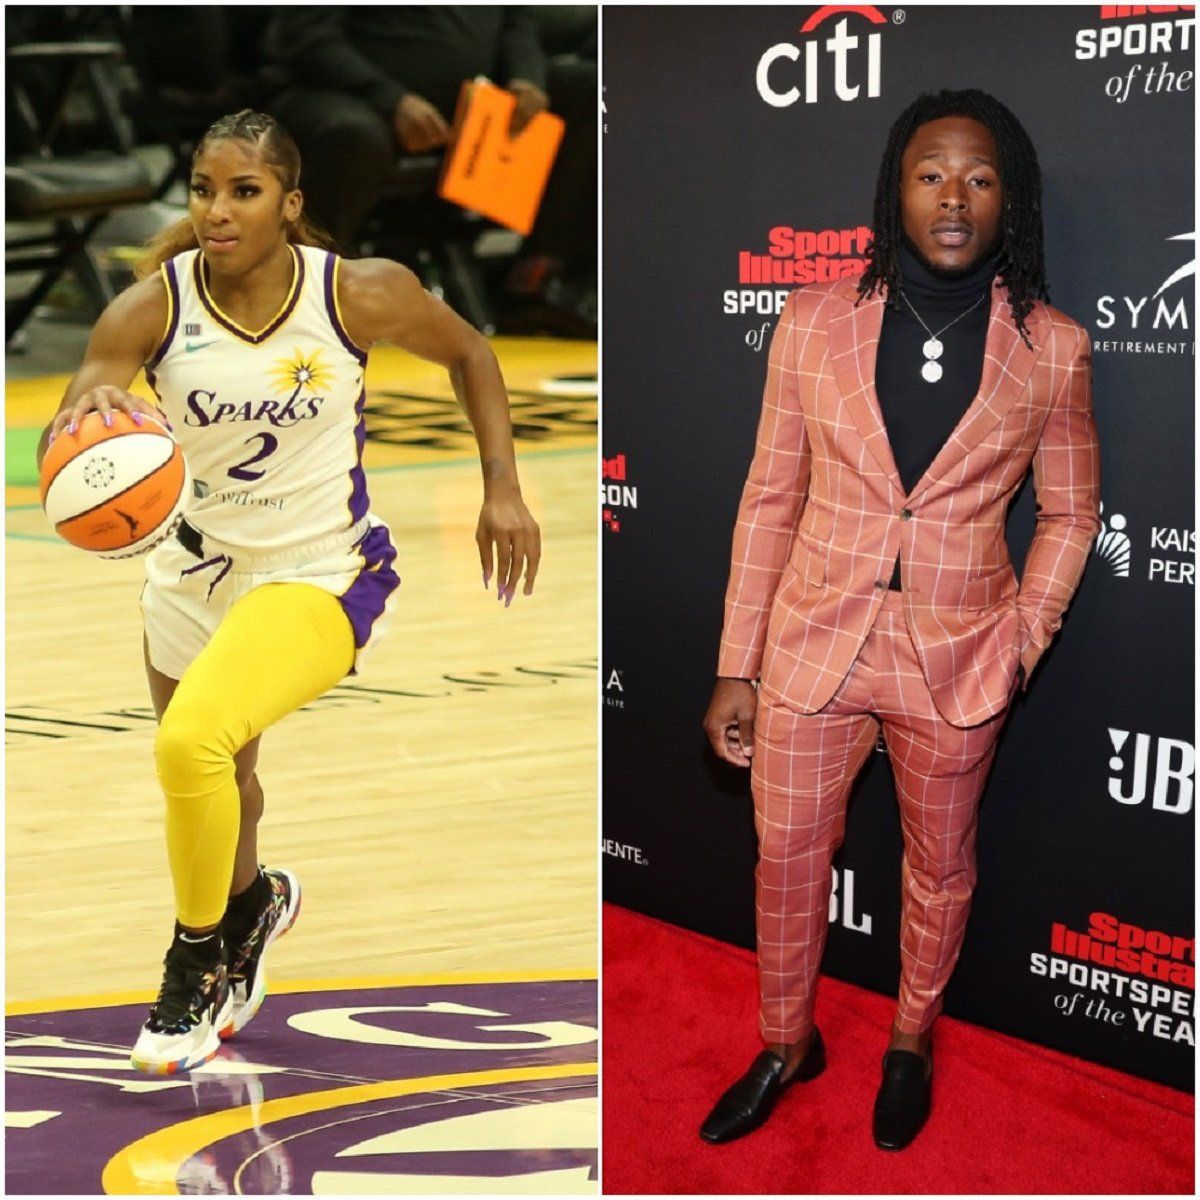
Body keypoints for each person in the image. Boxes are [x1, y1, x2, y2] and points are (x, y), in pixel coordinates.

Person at [35, 109, 541, 1075]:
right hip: (189, 573)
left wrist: (503, 490)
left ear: (290, 203)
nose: (218, 211)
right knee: (225, 780)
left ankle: (192, 968)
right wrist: (90, 410)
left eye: (244, 191)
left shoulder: (355, 293)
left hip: (316, 570)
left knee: (190, 743)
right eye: (202, 190)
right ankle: (252, 904)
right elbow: (86, 403)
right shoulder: (152, 305)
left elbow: (473, 351)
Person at [699, 90, 1100, 1150]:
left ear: (1007, 196)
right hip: (809, 647)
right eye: (931, 175)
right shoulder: (812, 320)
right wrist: (737, 663)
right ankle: (786, 1041)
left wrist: (1022, 638)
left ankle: (910, 1039)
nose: (954, 197)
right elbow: (768, 498)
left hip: (960, 659)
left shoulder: (1051, 347)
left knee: (940, 867)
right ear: (895, 191)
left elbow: (1071, 511)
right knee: (785, 853)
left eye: (978, 176)